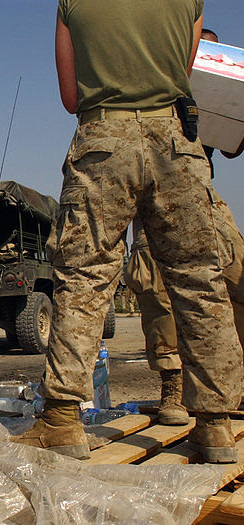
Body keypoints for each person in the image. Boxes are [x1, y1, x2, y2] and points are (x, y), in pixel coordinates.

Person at [12, 0, 243, 464]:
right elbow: (185, 73)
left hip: (103, 143)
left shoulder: (71, 3)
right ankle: (215, 425)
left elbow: (71, 98)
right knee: (200, 281)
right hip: (175, 142)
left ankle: (60, 420)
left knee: (84, 280)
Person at [122, 28, 244, 427]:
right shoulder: (147, 83)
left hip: (201, 194)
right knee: (157, 292)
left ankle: (234, 385)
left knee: (237, 277)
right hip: (151, 195)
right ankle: (172, 387)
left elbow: (232, 143)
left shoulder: (206, 93)